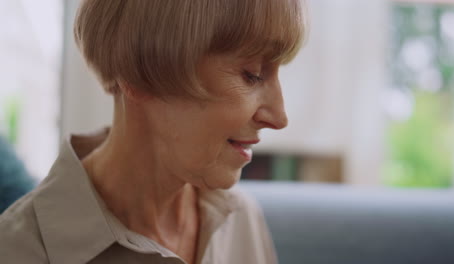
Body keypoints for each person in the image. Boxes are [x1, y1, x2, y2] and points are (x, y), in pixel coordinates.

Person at [0, 0, 305, 263]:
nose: (279, 117)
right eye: (251, 75)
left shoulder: (241, 219)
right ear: (141, 74)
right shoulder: (17, 251)